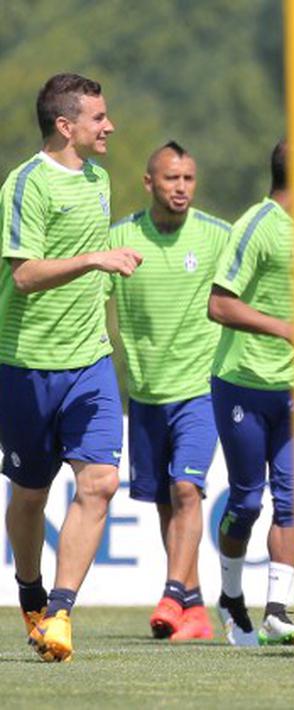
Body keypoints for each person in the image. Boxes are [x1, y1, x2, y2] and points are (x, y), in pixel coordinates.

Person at [1, 73, 138, 662]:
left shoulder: (100, 177)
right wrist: (95, 259)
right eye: (98, 117)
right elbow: (25, 275)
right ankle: (30, 593)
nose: (108, 126)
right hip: (26, 365)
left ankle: (59, 612)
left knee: (101, 482)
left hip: (90, 361)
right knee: (30, 494)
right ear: (66, 125)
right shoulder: (25, 184)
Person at [208, 140, 294, 647]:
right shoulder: (257, 225)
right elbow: (220, 306)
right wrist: (288, 331)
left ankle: (276, 612)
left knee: (293, 500)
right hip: (242, 383)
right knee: (245, 501)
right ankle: (230, 598)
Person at [107, 141, 230, 641]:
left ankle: (173, 592)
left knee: (186, 487)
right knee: (166, 502)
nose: (181, 188)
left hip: (202, 389)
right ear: (148, 182)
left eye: (189, 179)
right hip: (145, 394)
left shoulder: (218, 237)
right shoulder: (118, 240)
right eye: (171, 179)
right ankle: (195, 610)